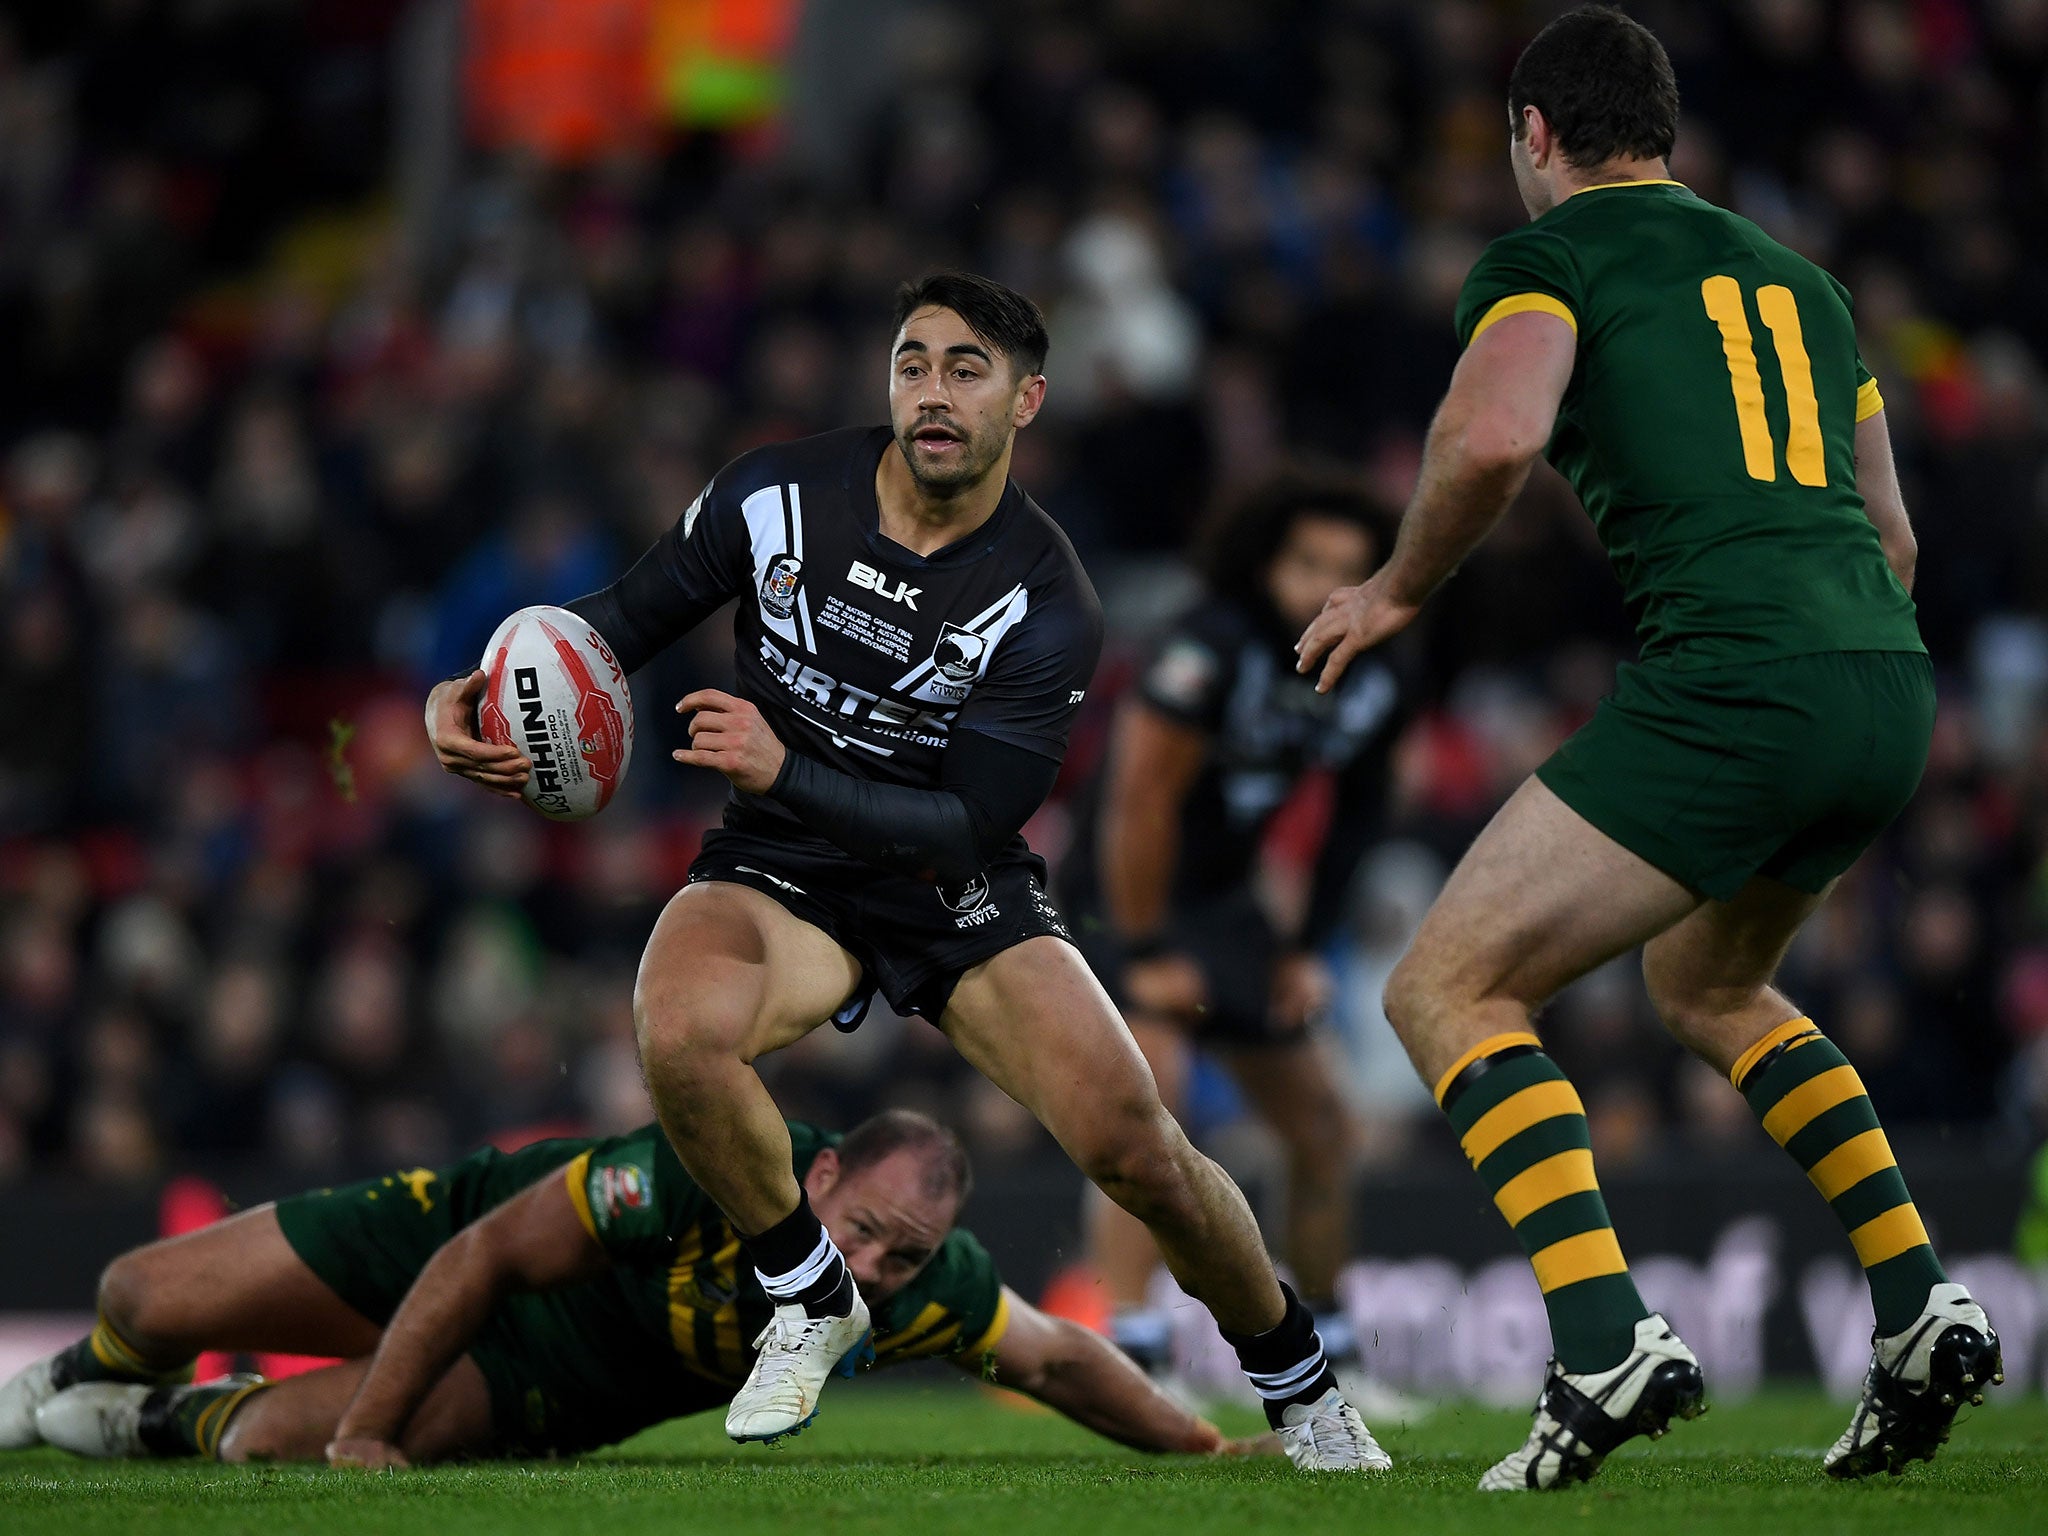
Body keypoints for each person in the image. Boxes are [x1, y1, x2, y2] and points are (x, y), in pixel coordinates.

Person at [421, 272, 1387, 1471]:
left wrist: (782, 770)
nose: (932, 393)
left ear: (1025, 400)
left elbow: (964, 822)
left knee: (1137, 1146)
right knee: (674, 1030)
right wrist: (472, 694)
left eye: (966, 370)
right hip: (779, 871)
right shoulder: (773, 494)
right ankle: (809, 1293)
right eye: (913, 363)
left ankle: (1303, 1396)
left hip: (948, 886)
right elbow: (615, 620)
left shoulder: (1046, 597)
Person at [1295, 6, 2000, 1492]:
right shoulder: (1804, 284)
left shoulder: (1551, 256)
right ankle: (1920, 1303)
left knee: (1445, 986)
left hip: (1738, 680)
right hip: (1882, 679)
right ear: (1664, 132)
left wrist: (1400, 586)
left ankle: (1606, 1336)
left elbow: (1490, 438)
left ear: (1536, 136)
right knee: (1708, 980)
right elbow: (1894, 532)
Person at [5, 1110, 1272, 1464]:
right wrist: (371, 1437)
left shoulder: (927, 1285)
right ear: (815, 1173)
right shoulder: (698, 1172)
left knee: (270, 1442)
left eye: (901, 1256)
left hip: (555, 1378)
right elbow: (485, 1260)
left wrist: (1203, 1447)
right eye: (866, 1232)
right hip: (453, 1236)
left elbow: (1054, 1357)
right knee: (144, 1294)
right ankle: (87, 1370)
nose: (873, 1269)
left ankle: (154, 1422)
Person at [1063, 474, 1410, 1370]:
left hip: (1228, 901)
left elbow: (1359, 817)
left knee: (1325, 1124)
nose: (1323, 586)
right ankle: (1137, 1354)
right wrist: (1143, 949)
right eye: (1306, 562)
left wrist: (1303, 947)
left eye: (1348, 569)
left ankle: (1334, 1348)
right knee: (1151, 1103)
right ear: (1264, 560)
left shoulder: (1379, 671)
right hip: (1118, 888)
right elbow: (1136, 805)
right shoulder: (1209, 644)